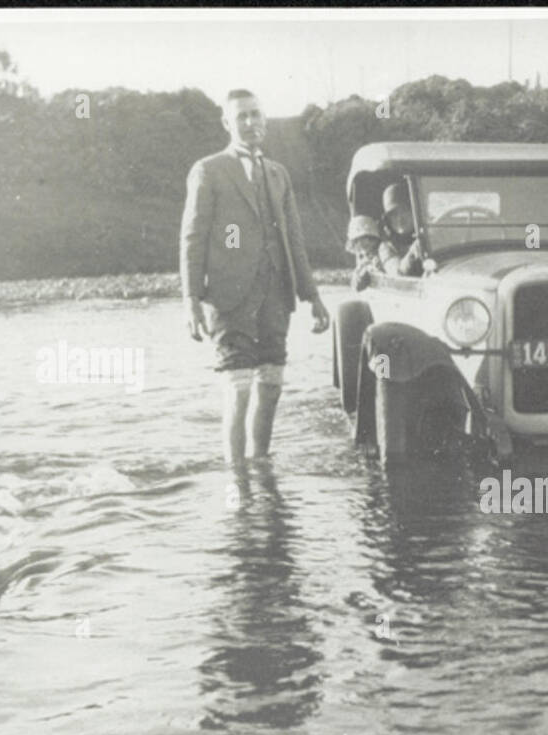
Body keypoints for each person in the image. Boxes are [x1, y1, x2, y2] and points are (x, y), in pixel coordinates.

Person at [181, 88, 330, 465]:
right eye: (241, 116)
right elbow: (193, 236)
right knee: (239, 389)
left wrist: (312, 296)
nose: (250, 123)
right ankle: (237, 475)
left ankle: (260, 464)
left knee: (272, 385)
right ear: (227, 123)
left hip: (276, 295)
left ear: (264, 120)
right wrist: (191, 298)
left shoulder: (279, 174)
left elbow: (294, 239)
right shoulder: (209, 170)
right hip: (229, 297)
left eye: (255, 115)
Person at [347, 181, 423, 290]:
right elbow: (398, 276)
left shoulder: (429, 238)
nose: (399, 218)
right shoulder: (386, 247)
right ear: (388, 220)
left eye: (404, 211)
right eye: (393, 215)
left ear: (414, 212)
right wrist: (414, 252)